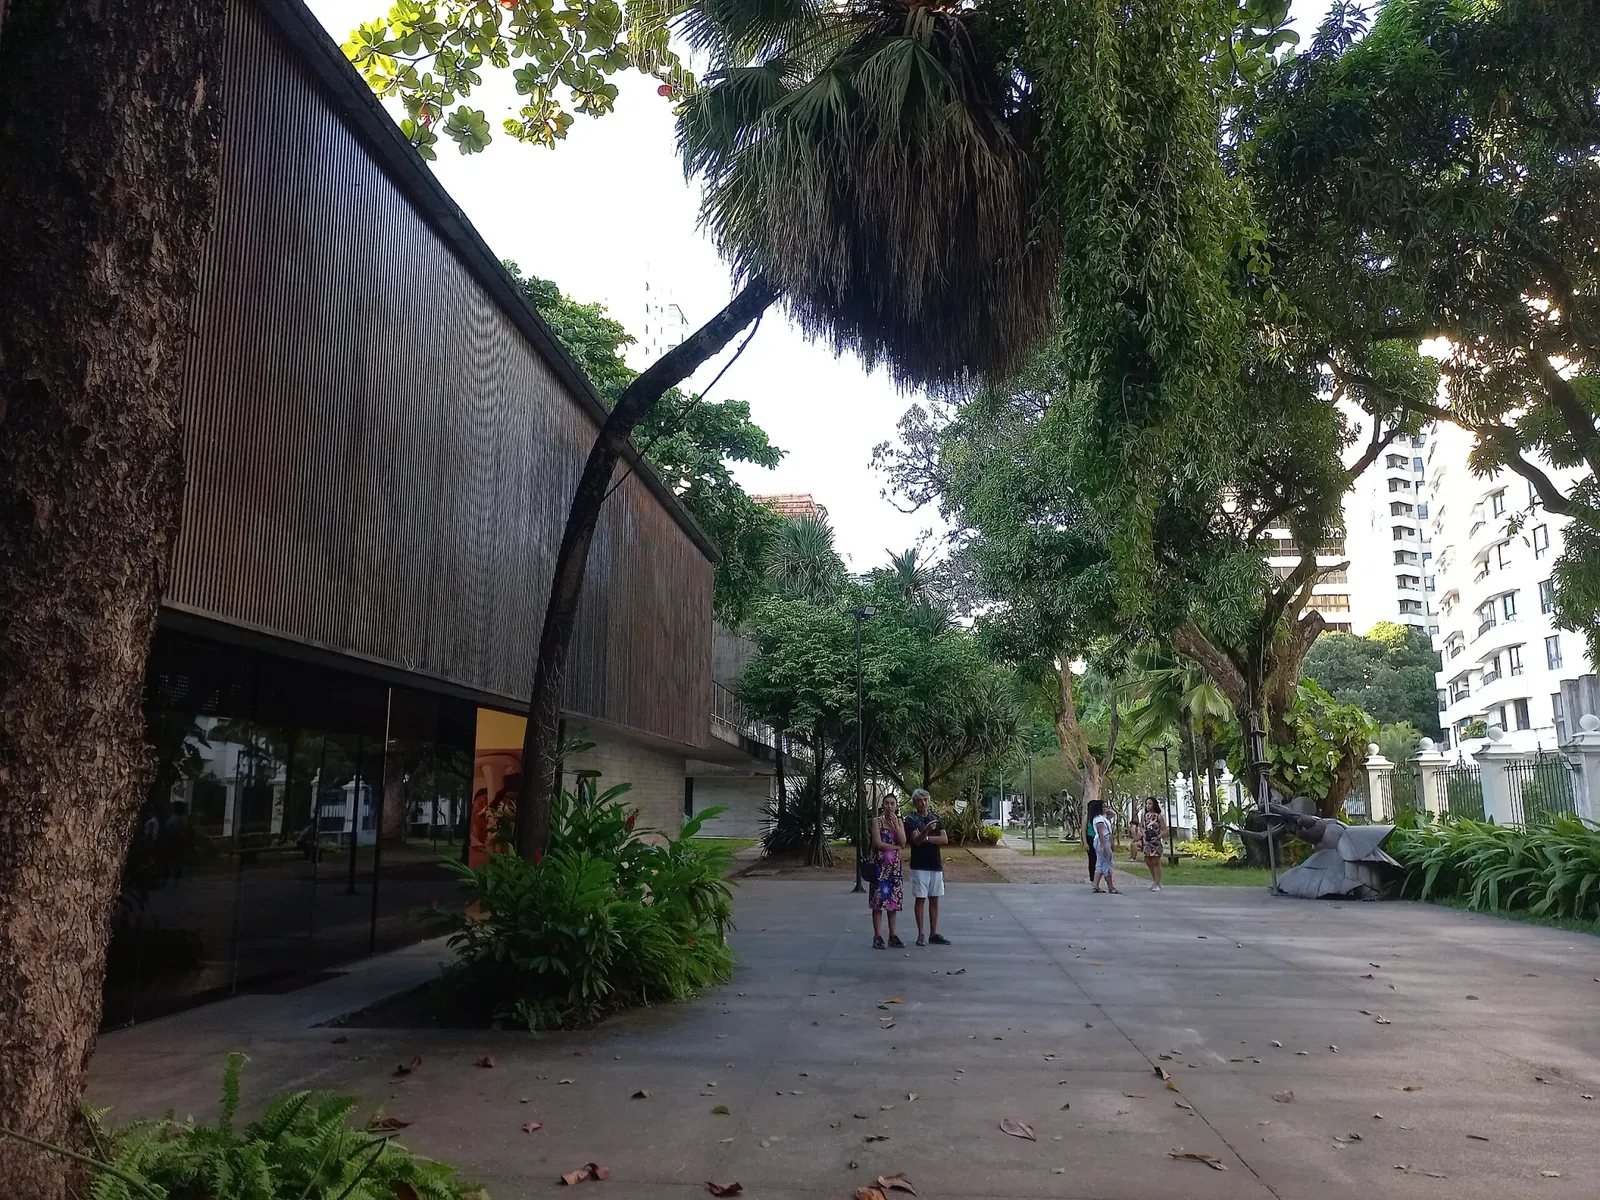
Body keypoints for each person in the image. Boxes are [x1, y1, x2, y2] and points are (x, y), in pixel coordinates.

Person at [902, 788, 950, 947]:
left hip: (935, 864)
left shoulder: (936, 817)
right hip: (919, 865)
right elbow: (916, 840)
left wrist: (927, 837)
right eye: (920, 800)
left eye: (925, 800)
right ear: (914, 802)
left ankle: (933, 933)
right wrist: (926, 831)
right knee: (920, 899)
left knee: (934, 898)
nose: (923, 803)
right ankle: (921, 933)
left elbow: (944, 839)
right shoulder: (910, 819)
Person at [868, 793, 907, 949]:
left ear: (896, 806)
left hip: (894, 868)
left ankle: (893, 935)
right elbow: (878, 843)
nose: (889, 807)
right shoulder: (877, 821)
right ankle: (877, 936)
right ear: (882, 805)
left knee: (893, 902)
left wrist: (897, 827)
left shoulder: (898, 821)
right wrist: (894, 847)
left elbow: (903, 842)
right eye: (886, 803)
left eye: (892, 804)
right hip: (880, 866)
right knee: (878, 902)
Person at [1088, 797, 1119, 894]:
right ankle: (1111, 887)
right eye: (1103, 807)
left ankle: (1095, 885)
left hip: (1104, 840)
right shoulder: (1098, 819)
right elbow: (1100, 832)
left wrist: (1106, 809)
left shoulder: (1103, 817)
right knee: (1107, 863)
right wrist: (1103, 845)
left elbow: (1113, 814)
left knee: (1100, 863)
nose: (1106, 808)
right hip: (1102, 841)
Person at [1141, 796, 1167, 891]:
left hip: (1155, 842)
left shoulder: (1158, 816)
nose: (1148, 806)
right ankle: (1154, 880)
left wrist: (1158, 837)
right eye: (1147, 803)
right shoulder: (1144, 816)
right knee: (1148, 861)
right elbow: (1142, 827)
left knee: (1156, 861)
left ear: (1154, 804)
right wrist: (1143, 833)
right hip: (1147, 842)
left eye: (1150, 803)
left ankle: (1157, 883)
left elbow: (1165, 830)